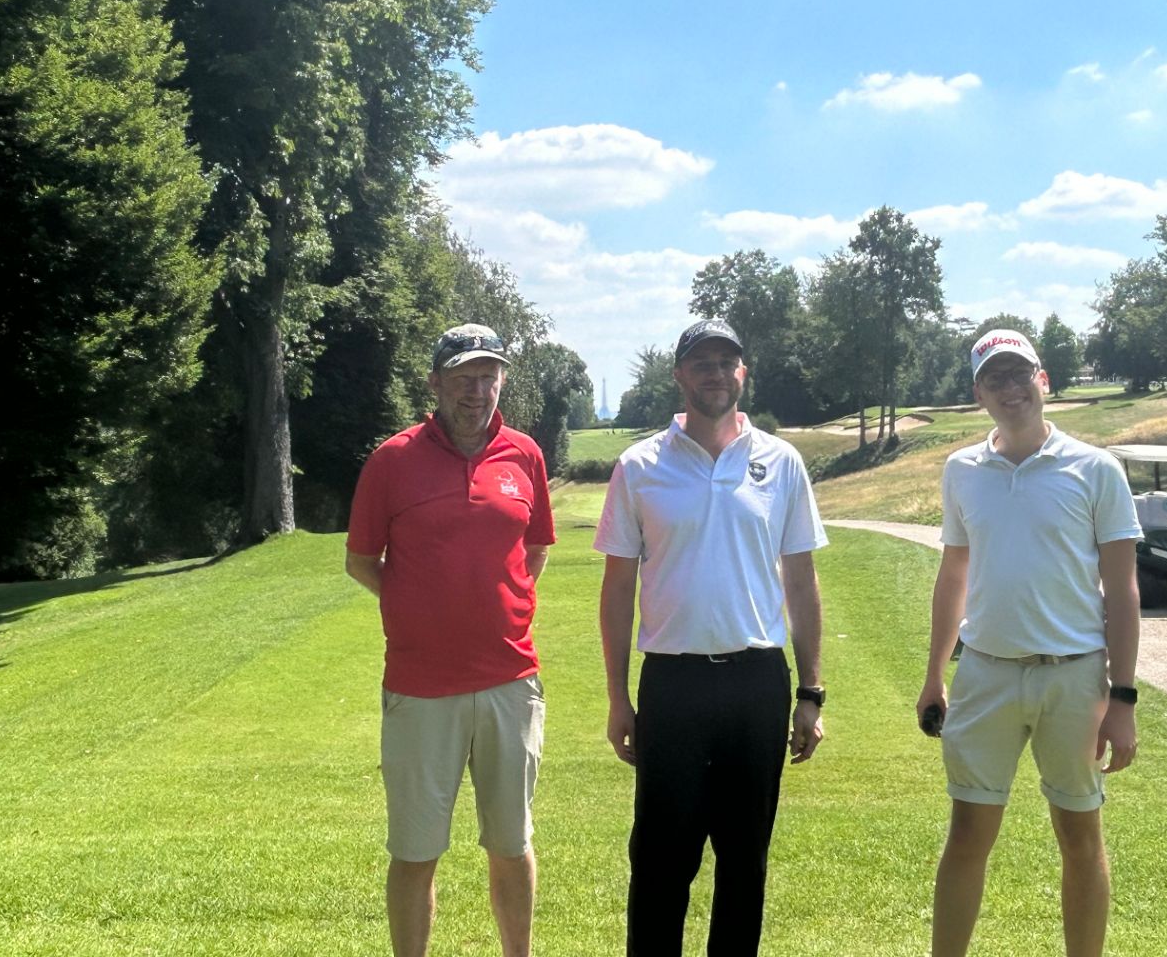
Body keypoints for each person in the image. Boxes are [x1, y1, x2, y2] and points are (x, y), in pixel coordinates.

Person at [595, 317, 828, 956]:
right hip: (674, 684)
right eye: (702, 363)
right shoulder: (640, 465)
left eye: (727, 362)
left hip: (758, 682)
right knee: (660, 860)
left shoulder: (781, 462)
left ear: (742, 372)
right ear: (680, 375)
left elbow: (801, 581)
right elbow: (617, 592)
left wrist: (811, 693)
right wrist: (618, 698)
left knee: (745, 862)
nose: (716, 374)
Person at [916, 328, 1143, 957]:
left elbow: (1122, 589)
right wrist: (934, 676)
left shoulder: (1096, 469)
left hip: (1074, 677)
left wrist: (1122, 699)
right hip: (985, 673)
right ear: (979, 393)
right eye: (995, 378)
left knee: (1079, 837)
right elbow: (954, 574)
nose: (1010, 388)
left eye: (1021, 374)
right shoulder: (962, 470)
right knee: (967, 833)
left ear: (1044, 381)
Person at [346, 324, 556, 957]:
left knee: (511, 844)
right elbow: (361, 560)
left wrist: (498, 605)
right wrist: (417, 606)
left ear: (502, 382)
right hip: (421, 688)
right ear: (435, 383)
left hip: (510, 682)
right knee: (415, 851)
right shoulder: (393, 460)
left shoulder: (524, 455)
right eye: (463, 378)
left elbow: (536, 548)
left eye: (488, 377)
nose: (477, 390)